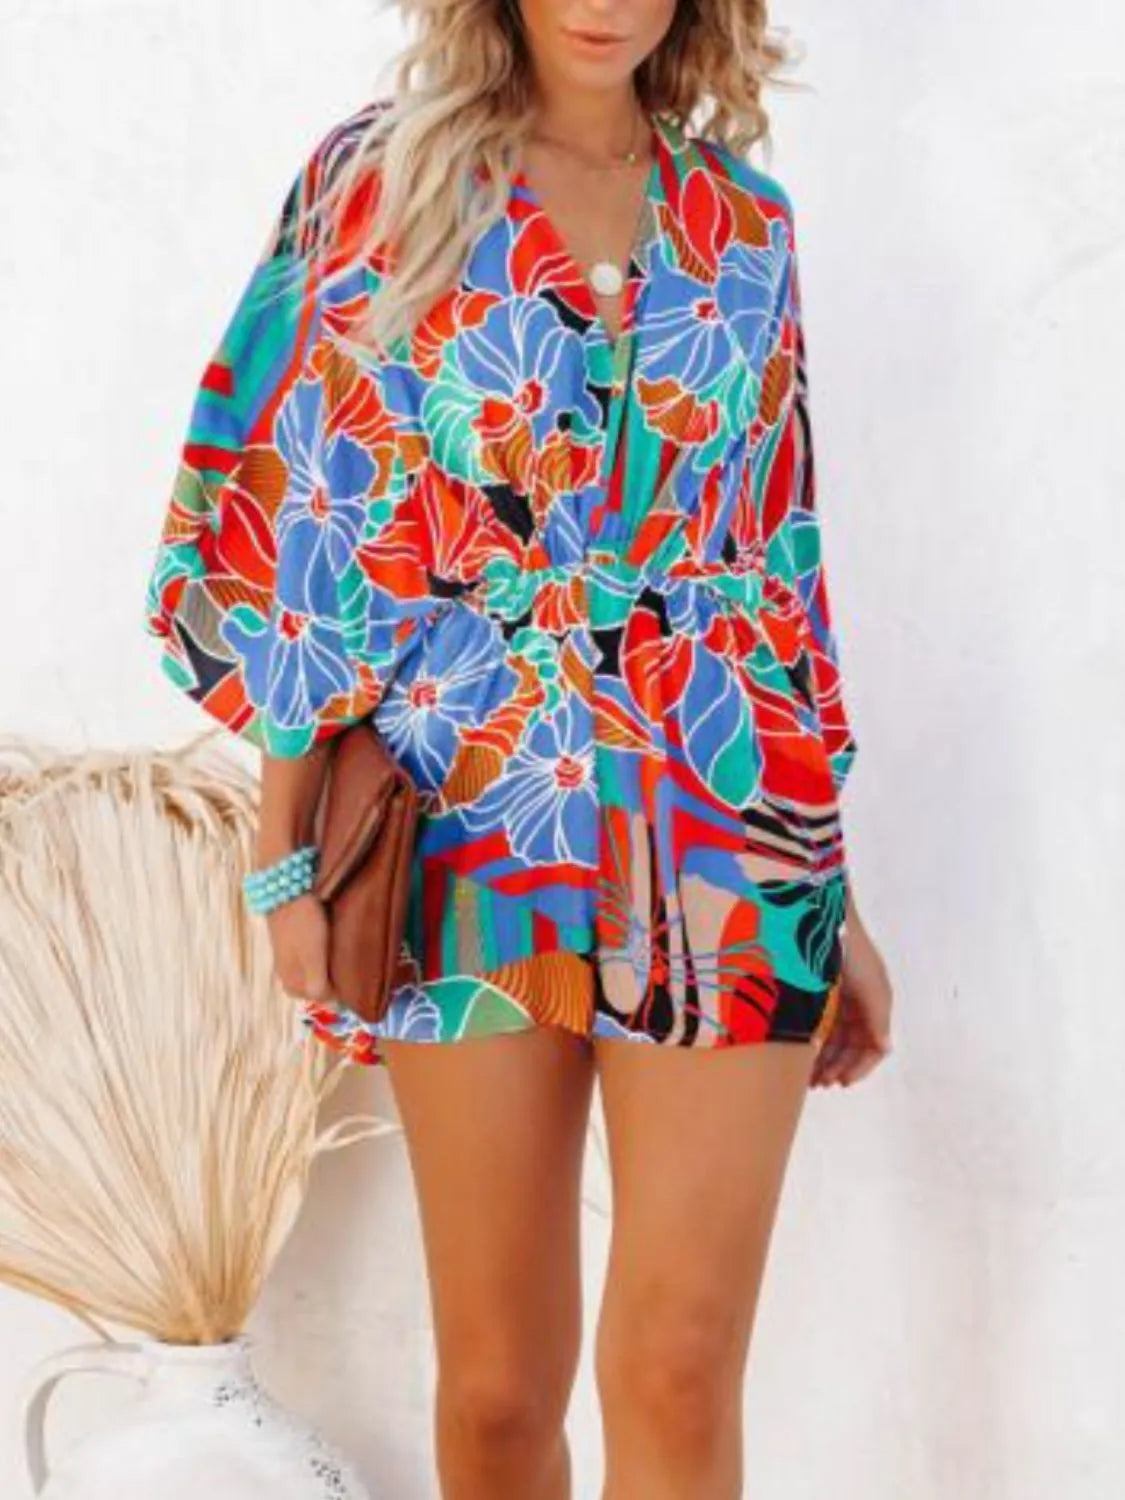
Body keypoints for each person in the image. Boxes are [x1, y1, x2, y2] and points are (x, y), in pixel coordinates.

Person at [143, 2, 895, 1495]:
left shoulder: (746, 223)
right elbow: (317, 528)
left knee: (678, 1359)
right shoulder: (387, 183)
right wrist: (283, 855)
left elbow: (780, 558)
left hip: (728, 812)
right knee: (496, 1389)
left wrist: (840, 888)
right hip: (469, 801)